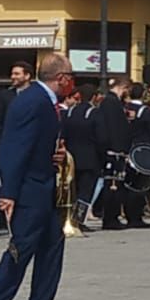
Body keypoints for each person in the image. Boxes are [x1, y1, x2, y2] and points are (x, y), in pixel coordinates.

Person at [0, 54, 78, 300]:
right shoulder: (33, 101)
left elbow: (36, 142)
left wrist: (55, 154)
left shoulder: (43, 101)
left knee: (53, 243)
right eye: (70, 76)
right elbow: (14, 148)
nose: (72, 82)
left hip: (42, 184)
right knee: (21, 247)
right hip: (28, 188)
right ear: (61, 78)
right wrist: (8, 192)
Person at [92, 77, 150, 230]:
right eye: (127, 90)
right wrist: (118, 148)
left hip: (117, 150)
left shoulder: (114, 103)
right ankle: (110, 218)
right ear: (123, 87)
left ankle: (114, 216)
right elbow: (113, 128)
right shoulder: (110, 102)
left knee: (117, 184)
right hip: (114, 150)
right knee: (113, 185)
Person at [62, 84, 99, 231]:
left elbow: (63, 133)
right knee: (85, 191)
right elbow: (101, 137)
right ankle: (78, 221)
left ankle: (68, 218)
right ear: (94, 97)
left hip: (71, 156)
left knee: (72, 189)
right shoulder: (94, 113)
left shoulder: (70, 112)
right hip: (90, 157)